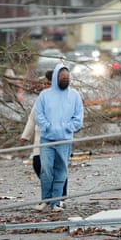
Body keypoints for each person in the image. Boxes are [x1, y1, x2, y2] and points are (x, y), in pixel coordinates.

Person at [33, 64, 84, 212]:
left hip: (65, 139)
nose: (65, 79)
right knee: (46, 170)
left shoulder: (74, 95)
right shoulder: (45, 95)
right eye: (62, 77)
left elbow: (78, 116)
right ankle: (45, 200)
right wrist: (48, 127)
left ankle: (56, 202)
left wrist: (68, 128)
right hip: (47, 139)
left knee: (61, 170)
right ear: (56, 77)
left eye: (67, 77)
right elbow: (39, 115)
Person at [20, 70, 69, 200]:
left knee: (58, 168)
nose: (46, 86)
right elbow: (32, 118)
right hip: (40, 139)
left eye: (49, 84)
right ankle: (50, 195)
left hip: (57, 139)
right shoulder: (41, 98)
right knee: (38, 164)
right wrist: (25, 136)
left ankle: (59, 197)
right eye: (45, 84)